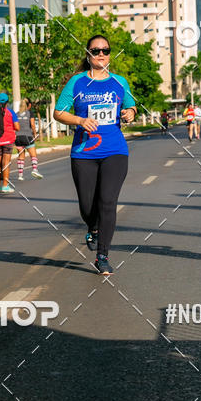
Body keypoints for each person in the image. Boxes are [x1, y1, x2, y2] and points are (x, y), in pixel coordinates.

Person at [54, 34, 136, 276]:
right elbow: (58, 112)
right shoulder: (77, 82)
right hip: (84, 152)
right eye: (95, 51)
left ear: (110, 54)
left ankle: (103, 256)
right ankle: (93, 226)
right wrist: (79, 120)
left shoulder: (120, 82)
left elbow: (130, 106)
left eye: (105, 50)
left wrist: (130, 113)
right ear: (88, 55)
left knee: (108, 202)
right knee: (87, 205)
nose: (101, 54)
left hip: (115, 151)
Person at [15, 99, 43, 181]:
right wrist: (35, 134)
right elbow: (33, 125)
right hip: (27, 136)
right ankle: (35, 170)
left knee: (21, 156)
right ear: (28, 105)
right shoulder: (30, 113)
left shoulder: (16, 114)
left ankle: (20, 175)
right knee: (33, 155)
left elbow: (14, 126)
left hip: (18, 137)